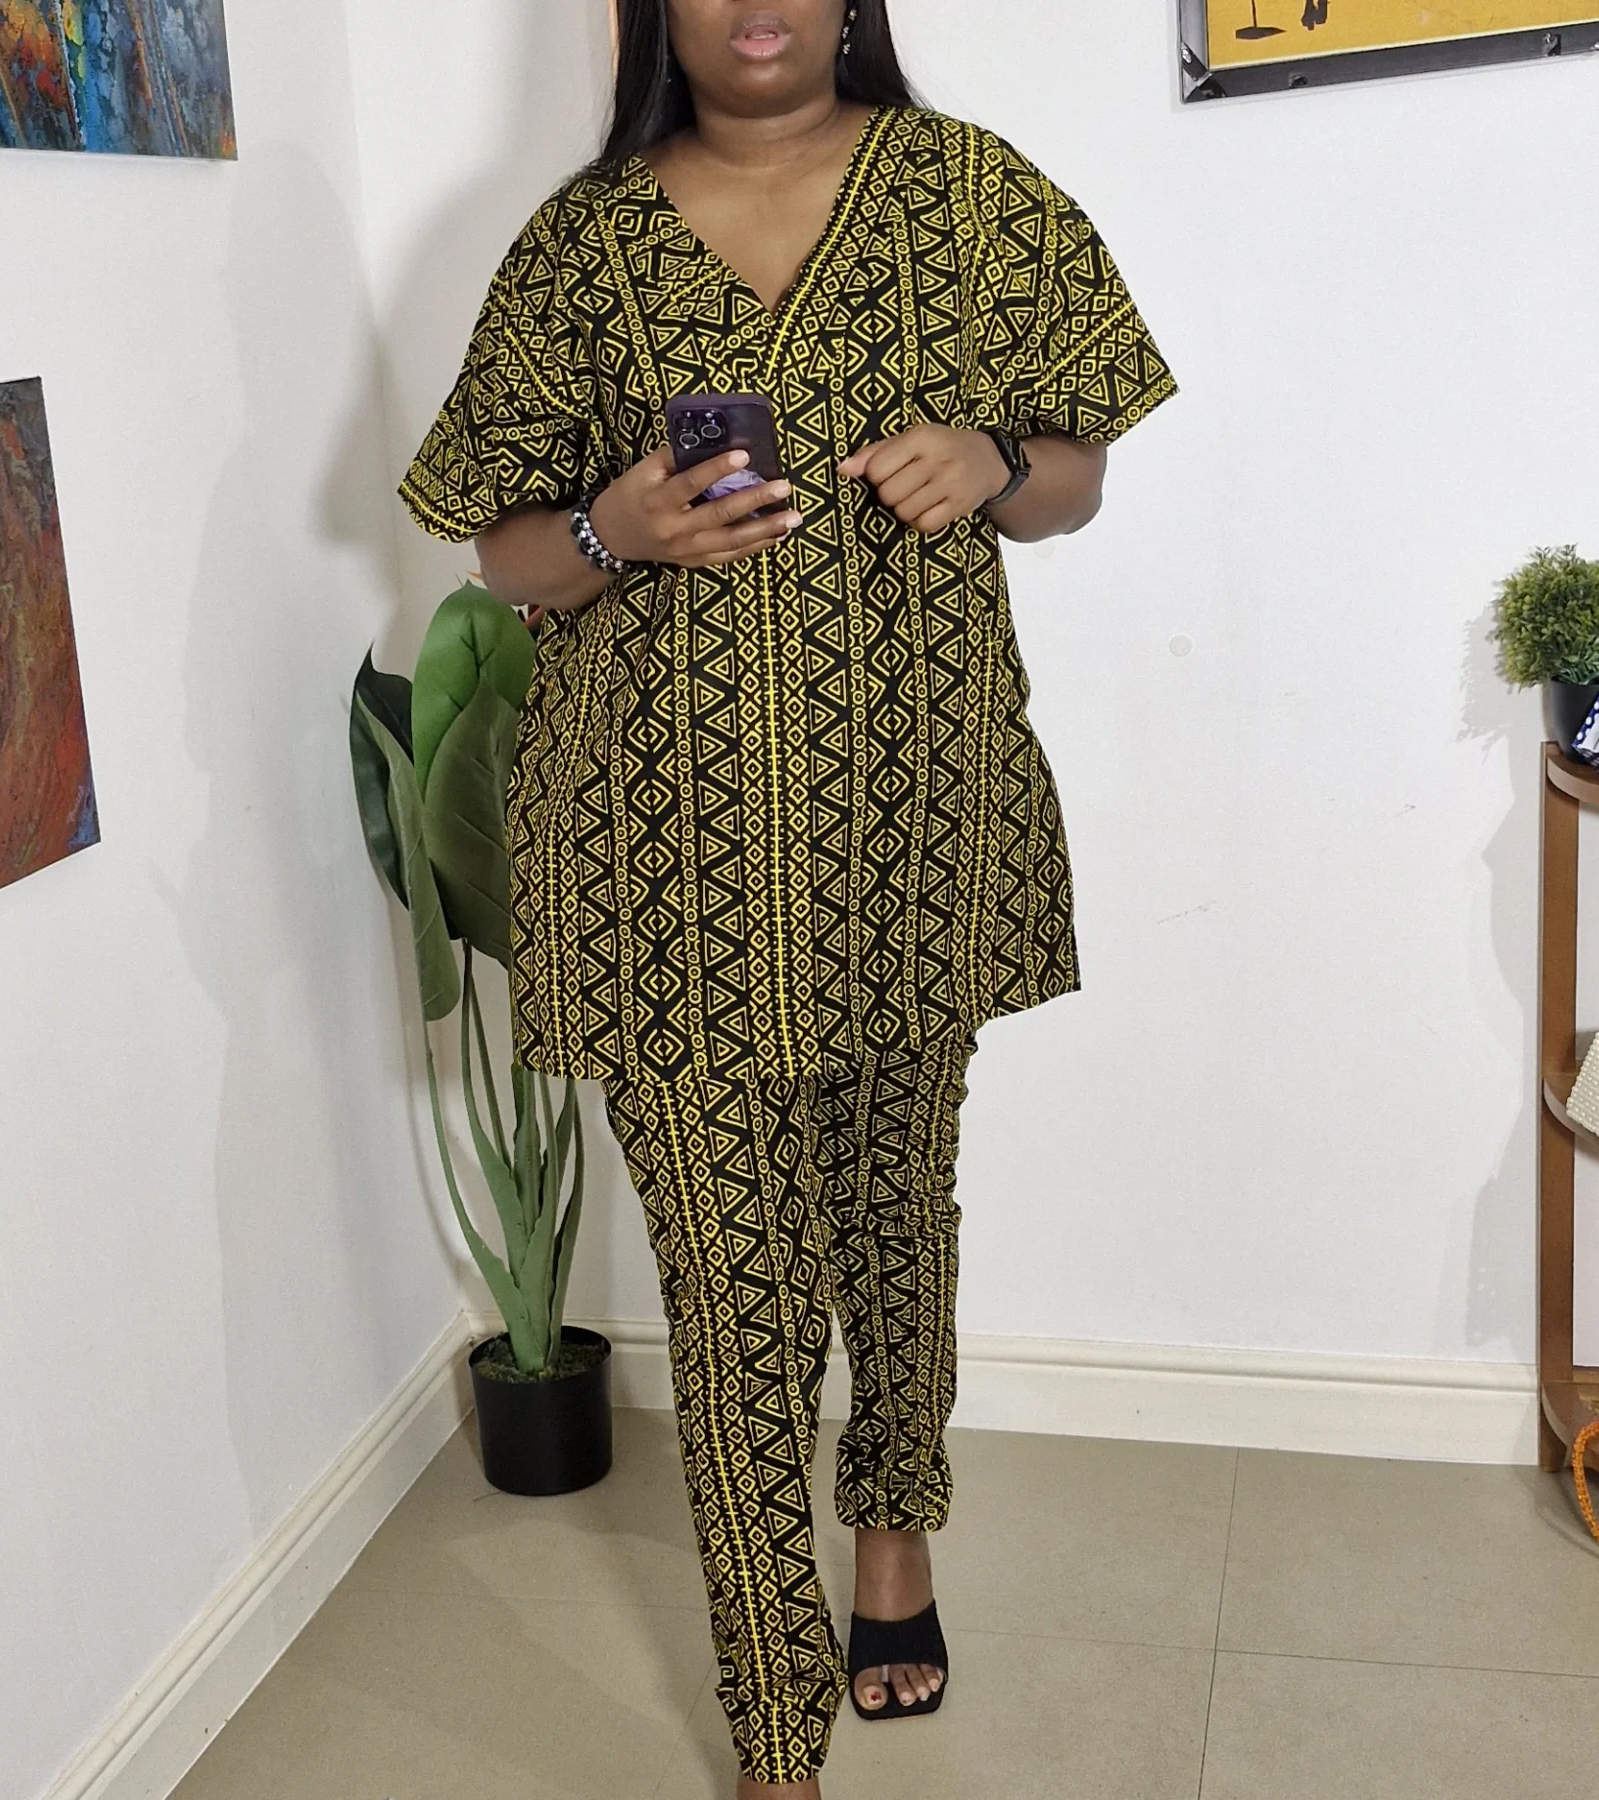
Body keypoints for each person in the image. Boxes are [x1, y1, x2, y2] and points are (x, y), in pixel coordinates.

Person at [397, 3, 1172, 1793]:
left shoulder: (973, 196)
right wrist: (617, 531)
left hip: (913, 825)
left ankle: (893, 1530)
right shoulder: (583, 244)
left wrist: (995, 464)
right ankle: (774, 1721)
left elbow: (1076, 475)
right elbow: (501, 546)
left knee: (896, 1217)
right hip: (656, 852)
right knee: (731, 1287)